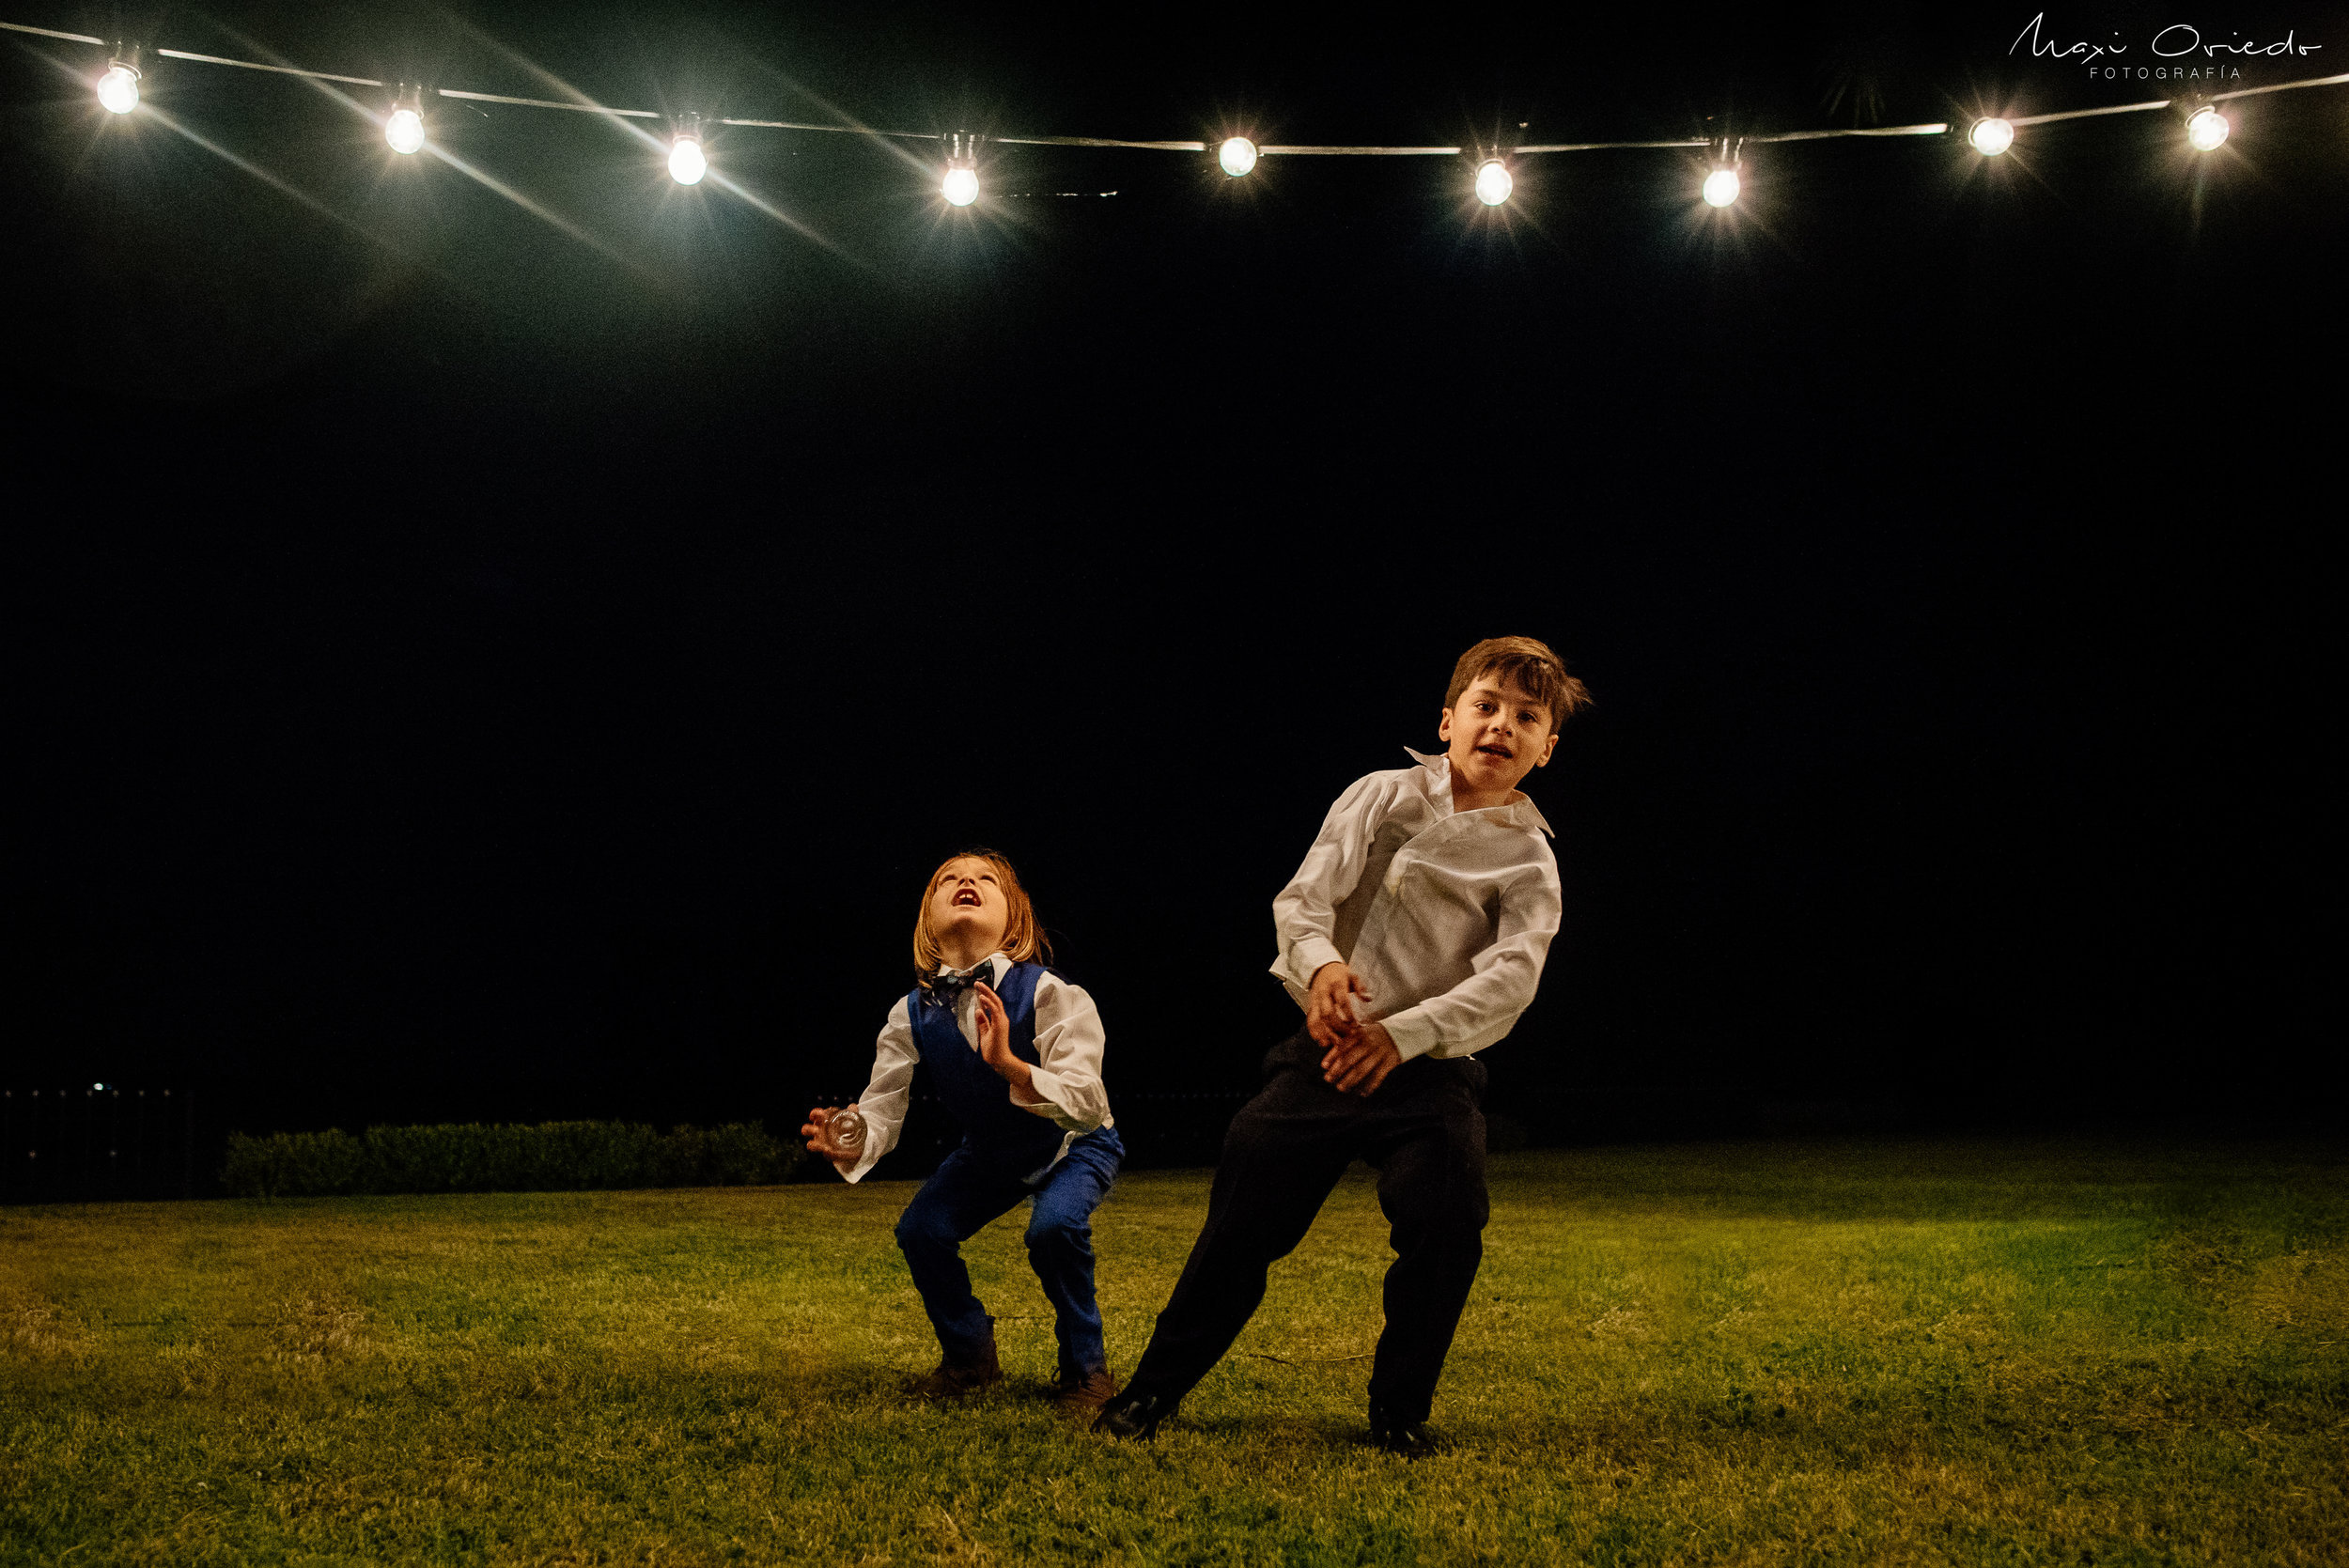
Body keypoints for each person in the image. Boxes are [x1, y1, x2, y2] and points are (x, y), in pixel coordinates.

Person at [1094, 636, 1590, 1454]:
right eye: (1487, 705)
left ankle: (1398, 1411)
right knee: (1242, 1218)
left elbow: (1511, 979)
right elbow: (1305, 898)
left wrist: (1406, 1034)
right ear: (1448, 718)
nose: (1502, 725)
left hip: (1430, 1069)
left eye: (1526, 717)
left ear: (1545, 748)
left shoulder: (1530, 858)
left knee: (1450, 1217)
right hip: (1329, 1050)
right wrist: (1322, 966)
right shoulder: (1380, 794)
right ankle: (1153, 1390)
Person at [803, 849, 1124, 1415]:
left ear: (1014, 918)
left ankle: (1085, 1373)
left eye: (983, 879)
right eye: (948, 879)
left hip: (1075, 1143)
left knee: (1053, 1231)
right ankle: (970, 1359)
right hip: (991, 1153)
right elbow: (881, 1108)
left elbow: (1087, 1100)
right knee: (922, 1230)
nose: (965, 882)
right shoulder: (909, 1013)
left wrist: (1009, 1064)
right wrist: (848, 1136)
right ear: (928, 919)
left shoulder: (1051, 993)